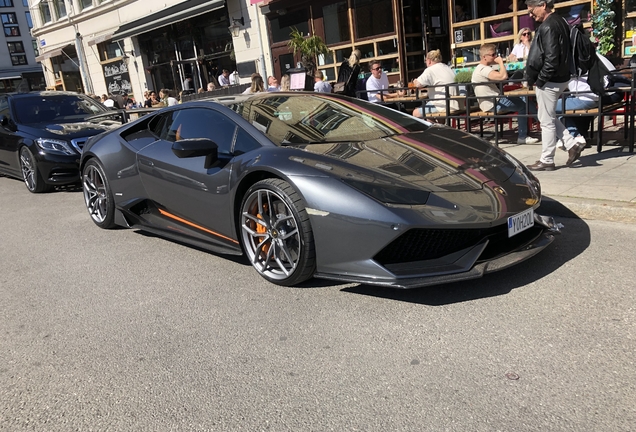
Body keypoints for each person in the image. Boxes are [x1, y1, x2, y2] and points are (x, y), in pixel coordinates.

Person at [525, 0, 583, 171]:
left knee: (546, 121)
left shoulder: (548, 26)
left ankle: (547, 159)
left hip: (551, 79)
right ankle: (572, 144)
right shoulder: (560, 21)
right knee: (547, 116)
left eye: (531, 10)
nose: (530, 14)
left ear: (543, 5)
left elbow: (551, 58)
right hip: (560, 77)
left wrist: (540, 80)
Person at [472, 43, 538, 144]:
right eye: (493, 55)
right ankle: (525, 135)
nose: (495, 57)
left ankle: (542, 124)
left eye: (496, 54)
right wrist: (501, 63)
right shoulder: (483, 69)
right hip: (493, 103)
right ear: (484, 57)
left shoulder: (481, 68)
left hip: (493, 101)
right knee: (524, 106)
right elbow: (503, 77)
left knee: (525, 100)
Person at [555, 53, 621, 145]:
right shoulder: (592, 56)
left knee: (550, 107)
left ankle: (575, 136)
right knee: (562, 104)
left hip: (592, 96)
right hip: (605, 93)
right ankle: (575, 134)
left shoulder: (573, 60)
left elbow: (562, 82)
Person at [411, 49, 459, 118]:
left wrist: (415, 81)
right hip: (454, 104)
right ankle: (437, 127)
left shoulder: (430, 70)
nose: (425, 63)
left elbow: (418, 84)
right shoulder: (447, 67)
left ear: (429, 60)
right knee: (431, 116)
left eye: (425, 60)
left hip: (441, 105)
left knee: (415, 113)